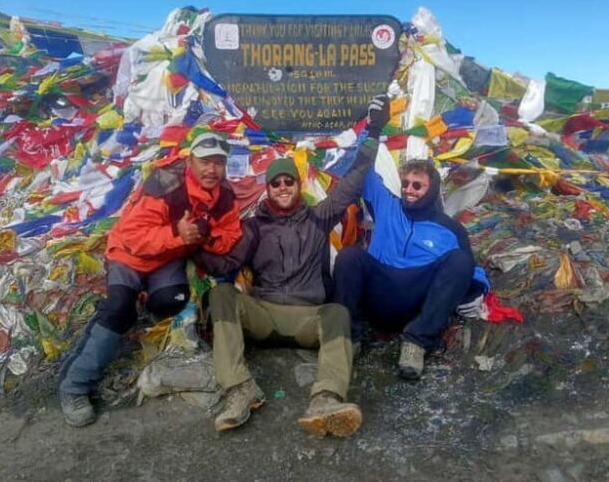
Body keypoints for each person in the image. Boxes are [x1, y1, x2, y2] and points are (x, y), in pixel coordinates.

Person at [195, 95, 389, 437]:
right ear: (268, 189)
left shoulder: (319, 217)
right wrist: (192, 241)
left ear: (298, 186)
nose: (283, 187)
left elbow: (354, 180)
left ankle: (326, 400)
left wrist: (374, 130)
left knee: (337, 314)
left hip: (306, 319)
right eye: (276, 183)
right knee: (222, 293)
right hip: (264, 315)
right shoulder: (253, 228)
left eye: (289, 181)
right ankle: (239, 390)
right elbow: (225, 264)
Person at [59, 132, 243, 426]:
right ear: (190, 160)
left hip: (167, 258)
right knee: (119, 309)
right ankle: (75, 386)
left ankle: (137, 304)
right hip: (130, 255)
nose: (212, 170)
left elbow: (229, 235)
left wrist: (205, 234)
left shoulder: (224, 197)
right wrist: (176, 234)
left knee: (172, 301)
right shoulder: (164, 185)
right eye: (205, 162)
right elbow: (132, 237)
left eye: (219, 163)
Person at [332, 158, 489, 380]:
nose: (409, 190)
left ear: (432, 189)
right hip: (379, 294)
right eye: (405, 183)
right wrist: (373, 130)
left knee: (460, 261)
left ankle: (416, 343)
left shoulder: (450, 229)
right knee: (349, 256)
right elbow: (362, 164)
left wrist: (479, 288)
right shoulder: (387, 205)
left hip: (417, 305)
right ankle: (350, 339)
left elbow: (472, 269)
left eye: (417, 185)